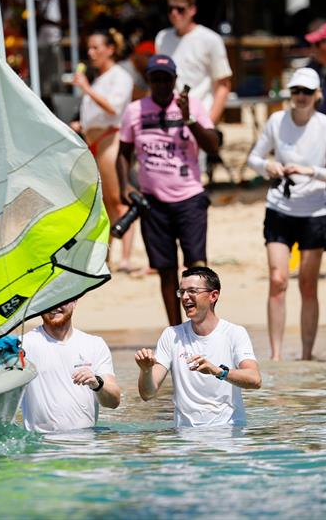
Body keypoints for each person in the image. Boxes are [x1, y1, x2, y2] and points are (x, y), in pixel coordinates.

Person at [117, 54, 218, 326]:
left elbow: (213, 146)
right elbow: (123, 153)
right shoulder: (135, 111)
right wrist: (125, 184)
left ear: (175, 80)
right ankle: (175, 330)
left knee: (197, 267)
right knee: (165, 269)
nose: (161, 84)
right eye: (155, 79)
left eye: (166, 79)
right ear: (149, 81)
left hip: (190, 199)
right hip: (153, 203)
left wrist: (188, 119)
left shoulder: (192, 105)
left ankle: (202, 326)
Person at [247, 68, 326, 361]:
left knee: (308, 284)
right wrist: (268, 167)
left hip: (314, 210)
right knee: (278, 280)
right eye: (296, 91)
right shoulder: (276, 120)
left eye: (307, 92)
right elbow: (254, 158)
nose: (300, 97)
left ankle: (307, 355)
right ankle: (275, 355)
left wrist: (310, 171)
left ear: (317, 96)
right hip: (280, 207)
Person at [135, 267, 261, 427]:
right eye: (182, 292)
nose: (185, 297)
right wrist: (145, 370)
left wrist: (217, 371)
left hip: (228, 436)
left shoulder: (234, 333)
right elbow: (147, 394)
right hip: (185, 439)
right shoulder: (171, 335)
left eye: (192, 291)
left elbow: (255, 380)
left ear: (213, 296)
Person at [73, 29, 136, 273]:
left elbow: (113, 108)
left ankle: (126, 257)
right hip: (95, 140)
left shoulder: (119, 76)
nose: (91, 53)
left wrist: (86, 89)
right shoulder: (100, 78)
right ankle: (108, 257)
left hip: (111, 139)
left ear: (110, 49)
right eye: (89, 48)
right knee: (103, 204)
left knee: (117, 200)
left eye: (96, 47)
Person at [20, 300, 121, 433]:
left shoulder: (94, 344)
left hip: (86, 446)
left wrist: (97, 383)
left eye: (62, 299)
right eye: (48, 299)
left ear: (74, 301)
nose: (54, 306)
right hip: (42, 448)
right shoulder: (23, 345)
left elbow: (113, 402)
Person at [154, 0, 232, 126]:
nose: (174, 13)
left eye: (180, 9)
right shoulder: (162, 38)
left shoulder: (210, 39)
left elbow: (223, 85)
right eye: (170, 9)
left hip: (200, 117)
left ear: (192, 10)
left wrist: (209, 123)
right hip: (169, 119)